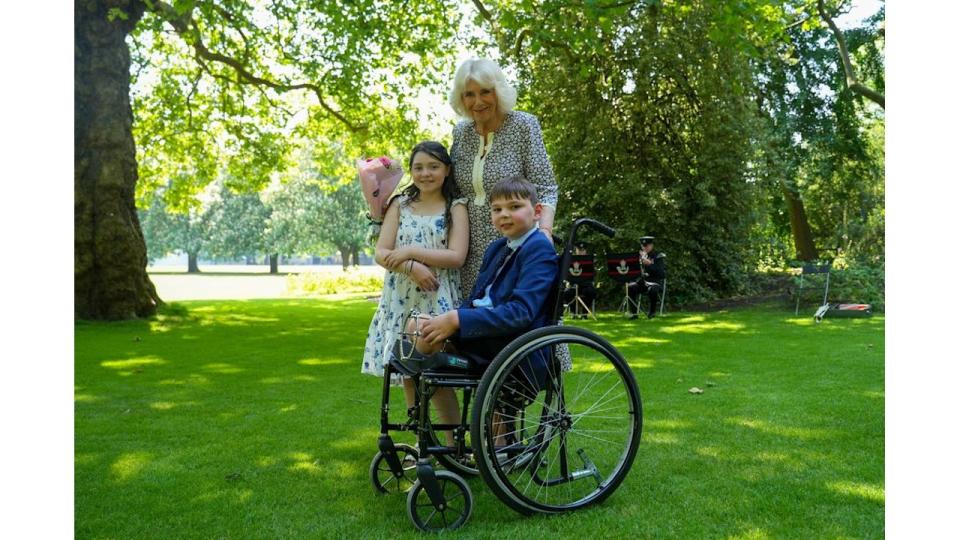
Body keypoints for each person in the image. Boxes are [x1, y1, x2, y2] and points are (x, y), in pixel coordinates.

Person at [361, 141, 468, 439]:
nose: (425, 173)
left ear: (446, 170)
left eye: (433, 166)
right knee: (409, 373)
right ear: (411, 171)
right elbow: (382, 252)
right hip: (401, 298)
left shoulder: (456, 207)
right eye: (418, 167)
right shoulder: (399, 204)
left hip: (438, 297)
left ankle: (451, 444)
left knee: (438, 375)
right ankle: (421, 443)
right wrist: (411, 267)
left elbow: (456, 256)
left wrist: (409, 251)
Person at [406, 176, 558, 375]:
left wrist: (457, 320)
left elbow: (521, 312)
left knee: (422, 337)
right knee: (417, 327)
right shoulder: (497, 248)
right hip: (482, 335)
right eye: (497, 209)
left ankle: (448, 359)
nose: (504, 214)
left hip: (509, 344)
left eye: (514, 207)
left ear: (537, 212)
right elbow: (477, 297)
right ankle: (445, 362)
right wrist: (453, 320)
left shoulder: (539, 248)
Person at [449, 58, 559, 298]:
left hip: (515, 242)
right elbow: (451, 189)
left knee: (515, 315)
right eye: (469, 94)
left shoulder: (523, 125)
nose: (478, 102)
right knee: (473, 318)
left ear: (498, 91)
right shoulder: (461, 133)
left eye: (485, 92)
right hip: (468, 248)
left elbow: (546, 187)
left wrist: (545, 232)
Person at [627, 236, 666, 319]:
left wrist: (650, 264)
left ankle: (652, 312)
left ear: (652, 245)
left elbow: (662, 274)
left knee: (653, 289)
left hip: (655, 282)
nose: (645, 248)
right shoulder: (638, 257)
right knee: (630, 287)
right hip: (642, 282)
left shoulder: (658, 256)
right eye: (643, 246)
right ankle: (634, 313)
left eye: (647, 245)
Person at [561, 243, 597, 319]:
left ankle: (584, 314)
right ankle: (574, 312)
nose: (581, 252)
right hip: (574, 284)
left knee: (591, 292)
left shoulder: (590, 260)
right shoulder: (570, 259)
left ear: (585, 251)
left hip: (586, 285)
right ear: (576, 250)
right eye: (579, 250)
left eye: (582, 250)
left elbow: (594, 274)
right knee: (567, 293)